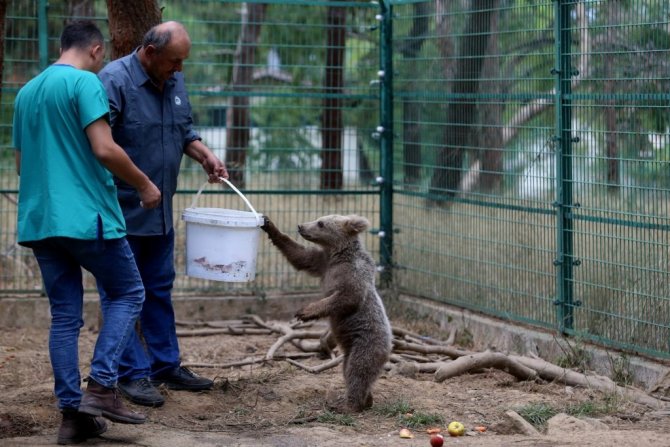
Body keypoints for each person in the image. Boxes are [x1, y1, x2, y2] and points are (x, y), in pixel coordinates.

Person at [12, 21, 162, 444]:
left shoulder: (26, 93)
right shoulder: (85, 83)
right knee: (129, 292)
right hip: (86, 218)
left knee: (64, 317)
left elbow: (22, 165)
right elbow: (104, 148)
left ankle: (72, 416)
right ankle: (100, 387)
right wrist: (144, 184)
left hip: (41, 221)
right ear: (96, 50)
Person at [97, 21, 228, 407]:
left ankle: (165, 365)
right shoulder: (113, 81)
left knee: (158, 289)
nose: (180, 69)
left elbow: (184, 131)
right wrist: (139, 183)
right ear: (151, 53)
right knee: (121, 295)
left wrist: (205, 155)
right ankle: (130, 374)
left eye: (182, 62)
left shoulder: (173, 79)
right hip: (121, 212)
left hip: (161, 213)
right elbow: (100, 145)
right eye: (174, 61)